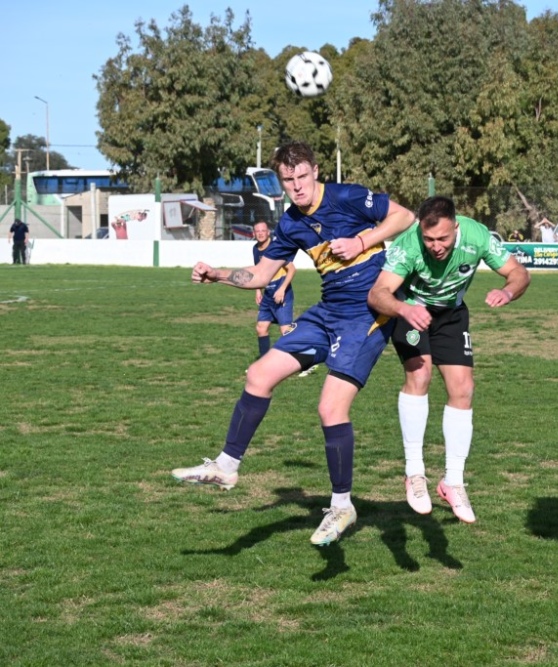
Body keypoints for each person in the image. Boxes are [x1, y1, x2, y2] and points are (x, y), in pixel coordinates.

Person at [172, 141, 416, 547]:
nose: (297, 186)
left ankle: (342, 505)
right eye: (289, 180)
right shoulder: (289, 223)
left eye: (303, 176)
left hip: (367, 314)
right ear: (281, 181)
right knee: (258, 373)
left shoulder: (347, 196)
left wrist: (362, 242)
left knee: (329, 407)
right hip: (327, 312)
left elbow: (404, 217)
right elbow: (259, 275)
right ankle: (227, 465)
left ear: (316, 172)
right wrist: (215, 274)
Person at [368, 196, 530, 523]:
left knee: (463, 389)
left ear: (456, 227)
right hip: (410, 311)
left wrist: (508, 292)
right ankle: (414, 474)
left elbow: (518, 273)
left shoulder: (477, 235)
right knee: (420, 376)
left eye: (443, 238)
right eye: (429, 239)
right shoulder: (408, 244)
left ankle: (453, 481)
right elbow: (378, 293)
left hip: (452, 315)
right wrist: (404, 309)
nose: (436, 246)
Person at [250, 221, 301, 365]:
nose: (260, 233)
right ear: (254, 233)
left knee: (286, 331)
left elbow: (292, 269)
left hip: (281, 293)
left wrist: (282, 289)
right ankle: (264, 363)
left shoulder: (276, 248)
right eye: (257, 231)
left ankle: (308, 359)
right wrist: (257, 290)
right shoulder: (255, 249)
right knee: (261, 328)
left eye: (263, 230)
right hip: (267, 294)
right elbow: (258, 271)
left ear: (268, 232)